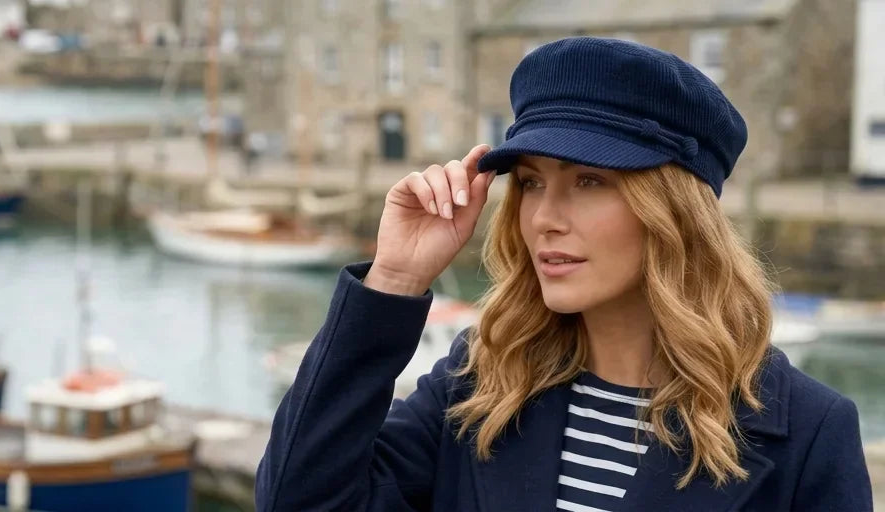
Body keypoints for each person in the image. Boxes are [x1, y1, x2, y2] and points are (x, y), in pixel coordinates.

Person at [256, 37, 872, 511]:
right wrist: (393, 278)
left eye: (589, 181)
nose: (544, 218)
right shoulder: (478, 386)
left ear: (673, 211)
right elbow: (297, 500)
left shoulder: (807, 432)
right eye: (530, 183)